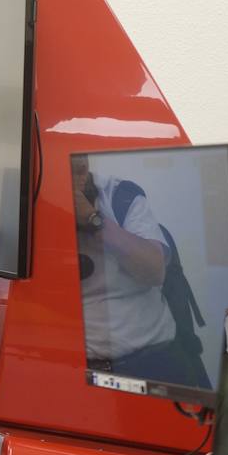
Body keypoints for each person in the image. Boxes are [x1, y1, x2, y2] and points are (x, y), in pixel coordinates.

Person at [73, 159, 209, 389]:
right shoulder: (32, 205)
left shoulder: (120, 196)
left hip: (152, 363)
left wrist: (93, 219)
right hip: (76, 370)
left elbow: (154, 271)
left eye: (81, 168)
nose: (81, 172)